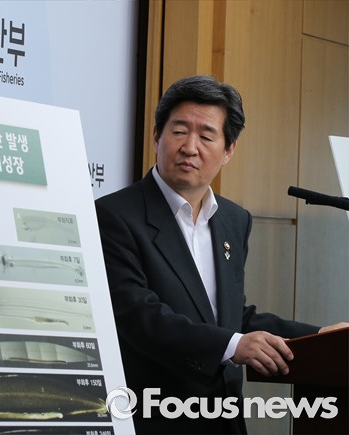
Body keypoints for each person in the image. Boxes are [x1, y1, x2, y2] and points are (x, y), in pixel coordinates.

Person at [95, 75, 348, 434]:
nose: (190, 147)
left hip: (224, 417)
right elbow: (138, 316)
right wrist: (232, 345)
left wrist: (320, 337)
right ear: (156, 137)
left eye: (206, 136)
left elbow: (230, 316)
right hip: (154, 416)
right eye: (179, 131)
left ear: (228, 150)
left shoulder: (234, 219)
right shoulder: (114, 215)